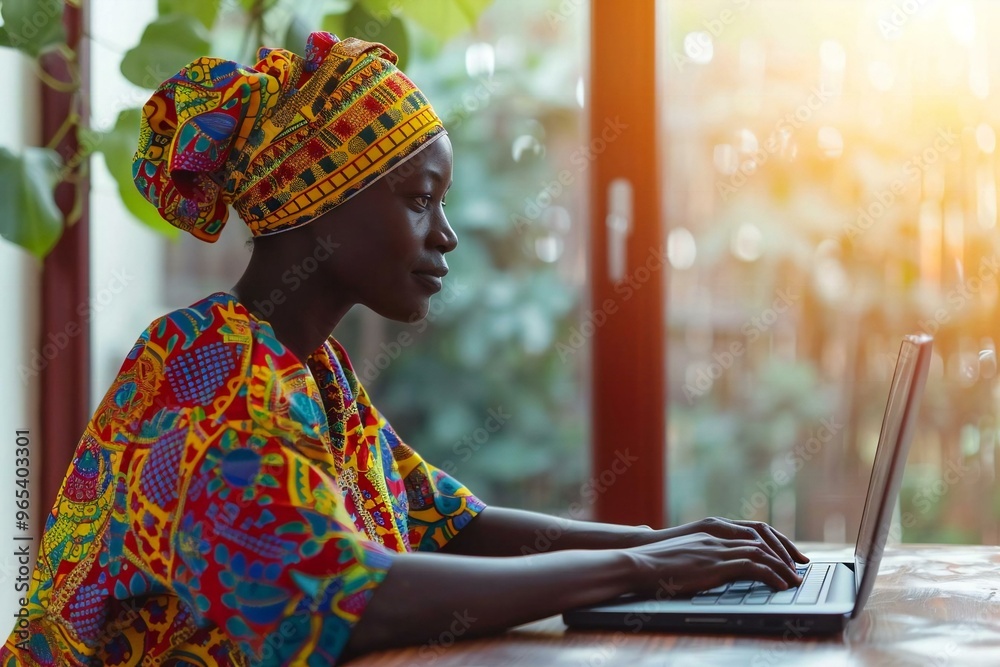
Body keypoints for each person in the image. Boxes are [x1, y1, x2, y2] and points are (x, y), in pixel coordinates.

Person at [3, 33, 807, 666]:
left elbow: (453, 525)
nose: (446, 235)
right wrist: (644, 572)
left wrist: (673, 542)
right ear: (320, 199)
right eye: (419, 200)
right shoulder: (207, 373)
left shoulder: (312, 369)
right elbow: (350, 598)